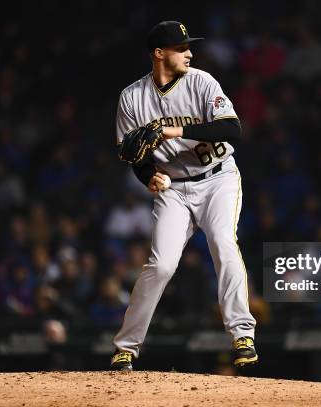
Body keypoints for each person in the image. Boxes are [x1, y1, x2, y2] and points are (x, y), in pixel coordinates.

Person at [110, 21, 257, 370]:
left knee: (223, 242)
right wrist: (149, 176)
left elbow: (231, 129)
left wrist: (173, 129)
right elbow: (133, 153)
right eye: (181, 47)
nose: (189, 52)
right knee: (160, 265)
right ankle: (126, 347)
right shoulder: (132, 98)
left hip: (218, 179)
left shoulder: (203, 82)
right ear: (159, 54)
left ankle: (242, 334)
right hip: (174, 189)